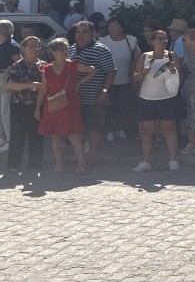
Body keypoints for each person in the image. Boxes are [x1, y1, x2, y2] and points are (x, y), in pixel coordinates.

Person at [37, 37, 94, 174]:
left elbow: (93, 70)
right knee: (55, 135)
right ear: (53, 51)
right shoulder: (47, 69)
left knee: (74, 135)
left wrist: (80, 83)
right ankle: (59, 165)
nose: (64, 52)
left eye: (65, 49)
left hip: (70, 104)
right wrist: (37, 108)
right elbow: (43, 89)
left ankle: (81, 164)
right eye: (61, 50)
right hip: (53, 104)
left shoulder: (73, 65)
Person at [130, 30, 182, 172]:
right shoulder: (145, 56)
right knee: (147, 131)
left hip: (167, 98)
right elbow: (135, 76)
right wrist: (143, 73)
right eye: (159, 38)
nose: (163, 41)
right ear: (152, 42)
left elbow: (179, 77)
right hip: (147, 98)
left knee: (169, 128)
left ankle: (172, 160)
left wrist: (173, 70)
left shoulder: (172, 56)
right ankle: (145, 161)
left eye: (165, 38)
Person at [69, 21, 116, 163]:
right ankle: (80, 157)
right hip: (75, 98)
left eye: (85, 31)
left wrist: (104, 91)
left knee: (93, 129)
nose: (81, 34)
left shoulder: (101, 49)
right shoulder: (71, 49)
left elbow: (111, 72)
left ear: (92, 33)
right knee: (76, 129)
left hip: (94, 97)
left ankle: (92, 157)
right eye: (78, 31)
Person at [4, 36, 46, 171]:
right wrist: (31, 85)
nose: (35, 49)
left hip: (37, 105)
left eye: (37, 46)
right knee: (17, 135)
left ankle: (35, 164)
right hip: (19, 104)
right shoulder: (17, 65)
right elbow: (11, 85)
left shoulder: (44, 65)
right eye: (32, 46)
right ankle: (14, 165)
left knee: (37, 135)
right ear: (24, 48)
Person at [98, 16, 140, 143]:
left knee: (123, 106)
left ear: (122, 27)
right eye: (110, 26)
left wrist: (134, 78)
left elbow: (137, 58)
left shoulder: (131, 40)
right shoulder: (102, 41)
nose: (112, 28)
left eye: (115, 25)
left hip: (125, 81)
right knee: (109, 107)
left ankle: (120, 128)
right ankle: (110, 129)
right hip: (107, 82)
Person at [0, 20, 21, 151]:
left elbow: (19, 63)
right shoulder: (4, 44)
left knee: (5, 111)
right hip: (2, 81)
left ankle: (10, 141)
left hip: (6, 81)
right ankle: (3, 138)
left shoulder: (11, 46)